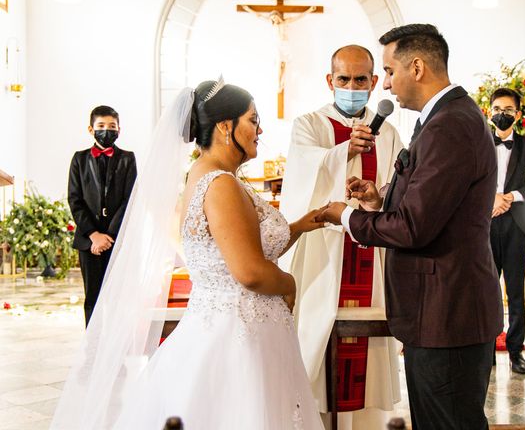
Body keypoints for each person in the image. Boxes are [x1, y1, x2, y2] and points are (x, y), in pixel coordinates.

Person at [52, 80, 325, 429]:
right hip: (239, 335)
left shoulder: (204, 174)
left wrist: (300, 226)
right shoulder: (222, 185)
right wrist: (289, 282)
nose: (260, 130)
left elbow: (239, 246)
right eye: (253, 120)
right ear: (226, 127)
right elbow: (250, 271)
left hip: (229, 324)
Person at [320, 24, 503, 430]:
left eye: (388, 71)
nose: (384, 85)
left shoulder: (450, 124)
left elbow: (414, 227)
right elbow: (435, 201)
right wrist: (380, 199)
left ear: (416, 67)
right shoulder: (440, 118)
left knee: (448, 422)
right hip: (439, 311)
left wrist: (347, 216)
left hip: (448, 312)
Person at [280, 45, 403, 429]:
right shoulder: (309, 124)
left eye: (361, 79)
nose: (352, 86)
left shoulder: (390, 133)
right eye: (344, 79)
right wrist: (341, 151)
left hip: (370, 253)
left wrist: (376, 196)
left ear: (374, 82)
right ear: (330, 81)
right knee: (316, 345)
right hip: (324, 255)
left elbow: (398, 190)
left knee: (367, 354)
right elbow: (299, 182)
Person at [489, 87, 525, 375]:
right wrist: (492, 199)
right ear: (489, 112)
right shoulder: (479, 142)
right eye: (498, 108)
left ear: (518, 114)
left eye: (509, 110)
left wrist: (511, 197)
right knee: (486, 290)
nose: (502, 114)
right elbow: (469, 180)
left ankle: (515, 352)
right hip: (484, 224)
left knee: (515, 291)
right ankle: (486, 351)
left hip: (515, 224)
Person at [67, 105, 137, 325]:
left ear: (119, 130)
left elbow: (130, 199)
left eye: (112, 126)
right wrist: (93, 234)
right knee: (93, 297)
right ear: (91, 129)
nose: (107, 130)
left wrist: (109, 236)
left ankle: (114, 349)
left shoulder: (127, 158)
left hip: (117, 240)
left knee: (117, 297)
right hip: (89, 242)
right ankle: (93, 345)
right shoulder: (79, 159)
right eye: (101, 126)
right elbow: (75, 199)